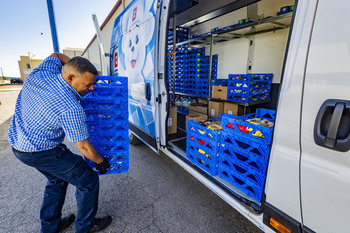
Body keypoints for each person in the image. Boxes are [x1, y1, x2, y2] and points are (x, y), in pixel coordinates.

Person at [8, 53, 113, 233]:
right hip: (41, 151)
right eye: (88, 84)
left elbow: (56, 55)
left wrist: (76, 64)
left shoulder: (40, 74)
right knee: (88, 180)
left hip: (19, 145)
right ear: (70, 77)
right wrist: (101, 162)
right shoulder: (70, 107)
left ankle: (50, 226)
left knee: (57, 179)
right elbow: (84, 147)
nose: (92, 88)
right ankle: (86, 226)